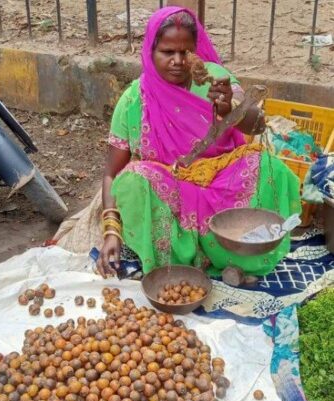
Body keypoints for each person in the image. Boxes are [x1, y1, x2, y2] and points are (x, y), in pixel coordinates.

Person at [97, 6, 300, 278]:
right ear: (150, 51)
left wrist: (229, 109)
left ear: (196, 50)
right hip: (170, 186)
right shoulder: (134, 99)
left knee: (269, 166)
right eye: (168, 52)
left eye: (186, 52)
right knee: (133, 179)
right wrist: (111, 231)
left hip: (223, 179)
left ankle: (231, 259)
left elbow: (258, 125)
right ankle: (179, 261)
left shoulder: (215, 79)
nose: (178, 61)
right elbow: (111, 173)